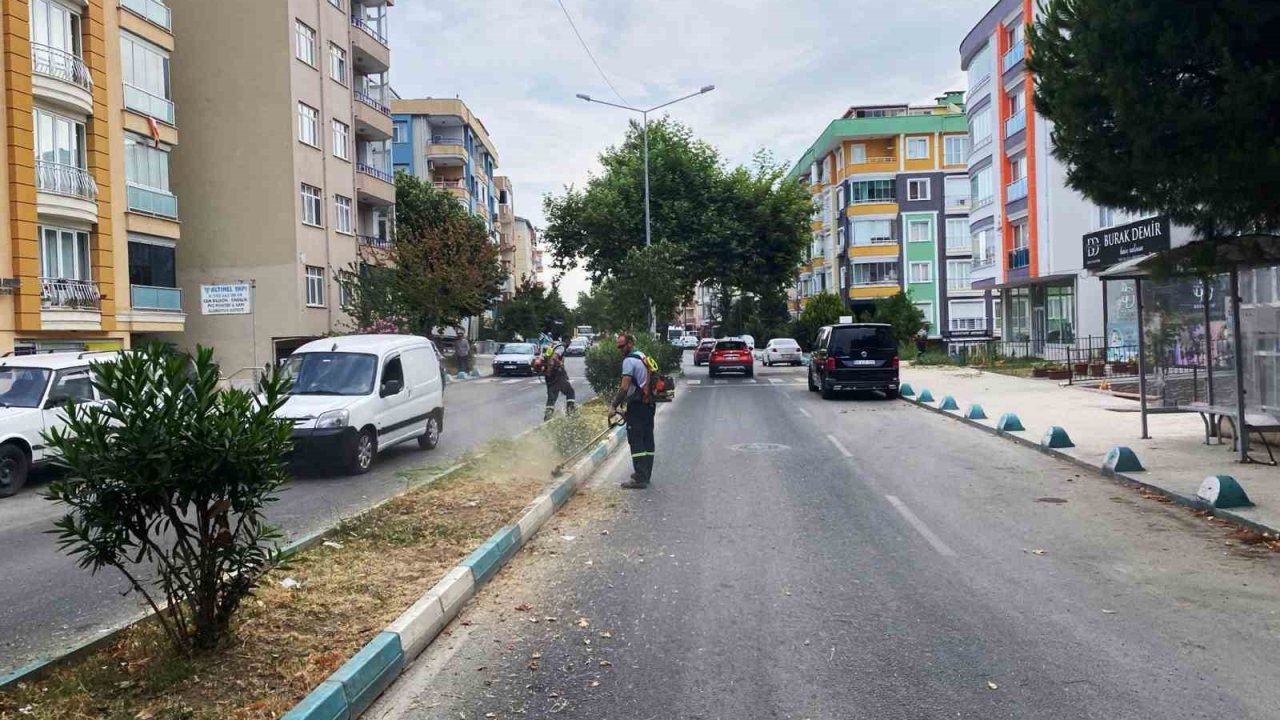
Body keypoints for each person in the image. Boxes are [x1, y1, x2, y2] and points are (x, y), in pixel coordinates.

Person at [610, 333, 655, 490]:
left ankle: (640, 478)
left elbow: (624, 387)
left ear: (629, 343)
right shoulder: (641, 355)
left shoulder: (628, 361)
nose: (619, 349)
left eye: (622, 346)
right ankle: (645, 473)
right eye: (618, 346)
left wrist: (613, 406)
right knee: (647, 438)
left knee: (636, 440)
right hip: (648, 402)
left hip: (638, 405)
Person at [537, 333, 576, 420]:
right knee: (570, 392)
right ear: (567, 340)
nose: (570, 343)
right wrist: (560, 364)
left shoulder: (553, 346)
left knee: (552, 397)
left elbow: (546, 356)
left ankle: (547, 418)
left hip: (549, 375)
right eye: (570, 341)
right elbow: (555, 357)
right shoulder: (561, 347)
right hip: (557, 375)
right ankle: (571, 413)